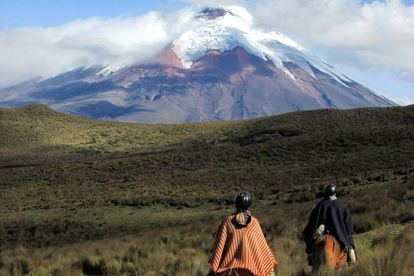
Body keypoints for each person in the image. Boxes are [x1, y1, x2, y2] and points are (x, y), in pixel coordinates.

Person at [209, 192, 278, 276]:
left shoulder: (227, 222)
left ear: (236, 204)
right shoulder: (254, 222)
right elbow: (262, 247)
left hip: (230, 268)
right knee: (269, 270)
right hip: (255, 269)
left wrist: (214, 267)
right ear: (249, 205)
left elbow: (219, 246)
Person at [302, 183, 356, 270]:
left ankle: (311, 257)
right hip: (338, 231)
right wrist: (348, 232)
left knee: (312, 241)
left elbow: (313, 221)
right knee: (349, 243)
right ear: (335, 193)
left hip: (322, 230)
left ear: (326, 193)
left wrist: (308, 232)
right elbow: (348, 222)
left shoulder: (320, 205)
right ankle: (352, 259)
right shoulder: (340, 205)